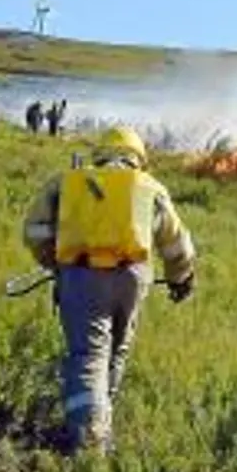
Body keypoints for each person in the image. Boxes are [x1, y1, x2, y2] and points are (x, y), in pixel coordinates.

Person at [20, 126, 197, 454]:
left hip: (81, 276)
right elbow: (177, 246)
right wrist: (180, 278)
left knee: (88, 355)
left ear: (99, 152)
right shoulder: (150, 186)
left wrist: (56, 264)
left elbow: (34, 230)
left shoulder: (67, 182)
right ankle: (102, 422)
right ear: (138, 158)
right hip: (132, 277)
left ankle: (89, 445)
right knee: (117, 351)